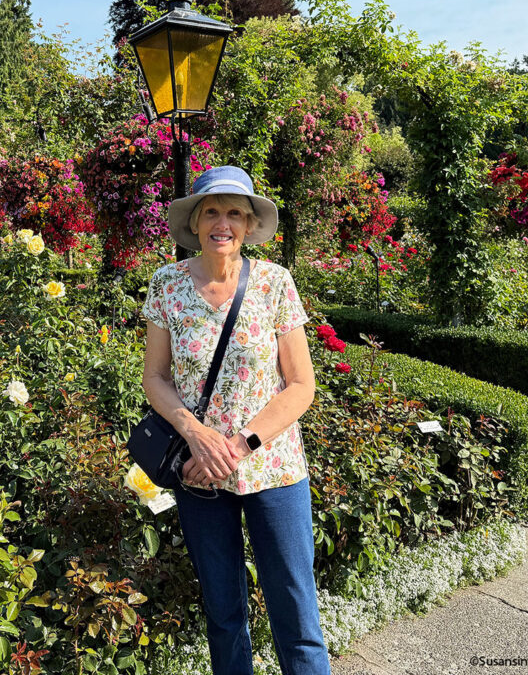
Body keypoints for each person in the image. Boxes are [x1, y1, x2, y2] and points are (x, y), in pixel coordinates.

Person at [141, 166, 332, 675]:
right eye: (210, 211)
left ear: (248, 225)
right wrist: (197, 435)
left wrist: (239, 445)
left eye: (233, 213)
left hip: (274, 469)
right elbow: (155, 379)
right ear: (195, 222)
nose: (221, 222)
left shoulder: (274, 283)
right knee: (224, 615)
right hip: (199, 474)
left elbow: (300, 385)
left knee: (296, 612)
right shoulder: (167, 285)